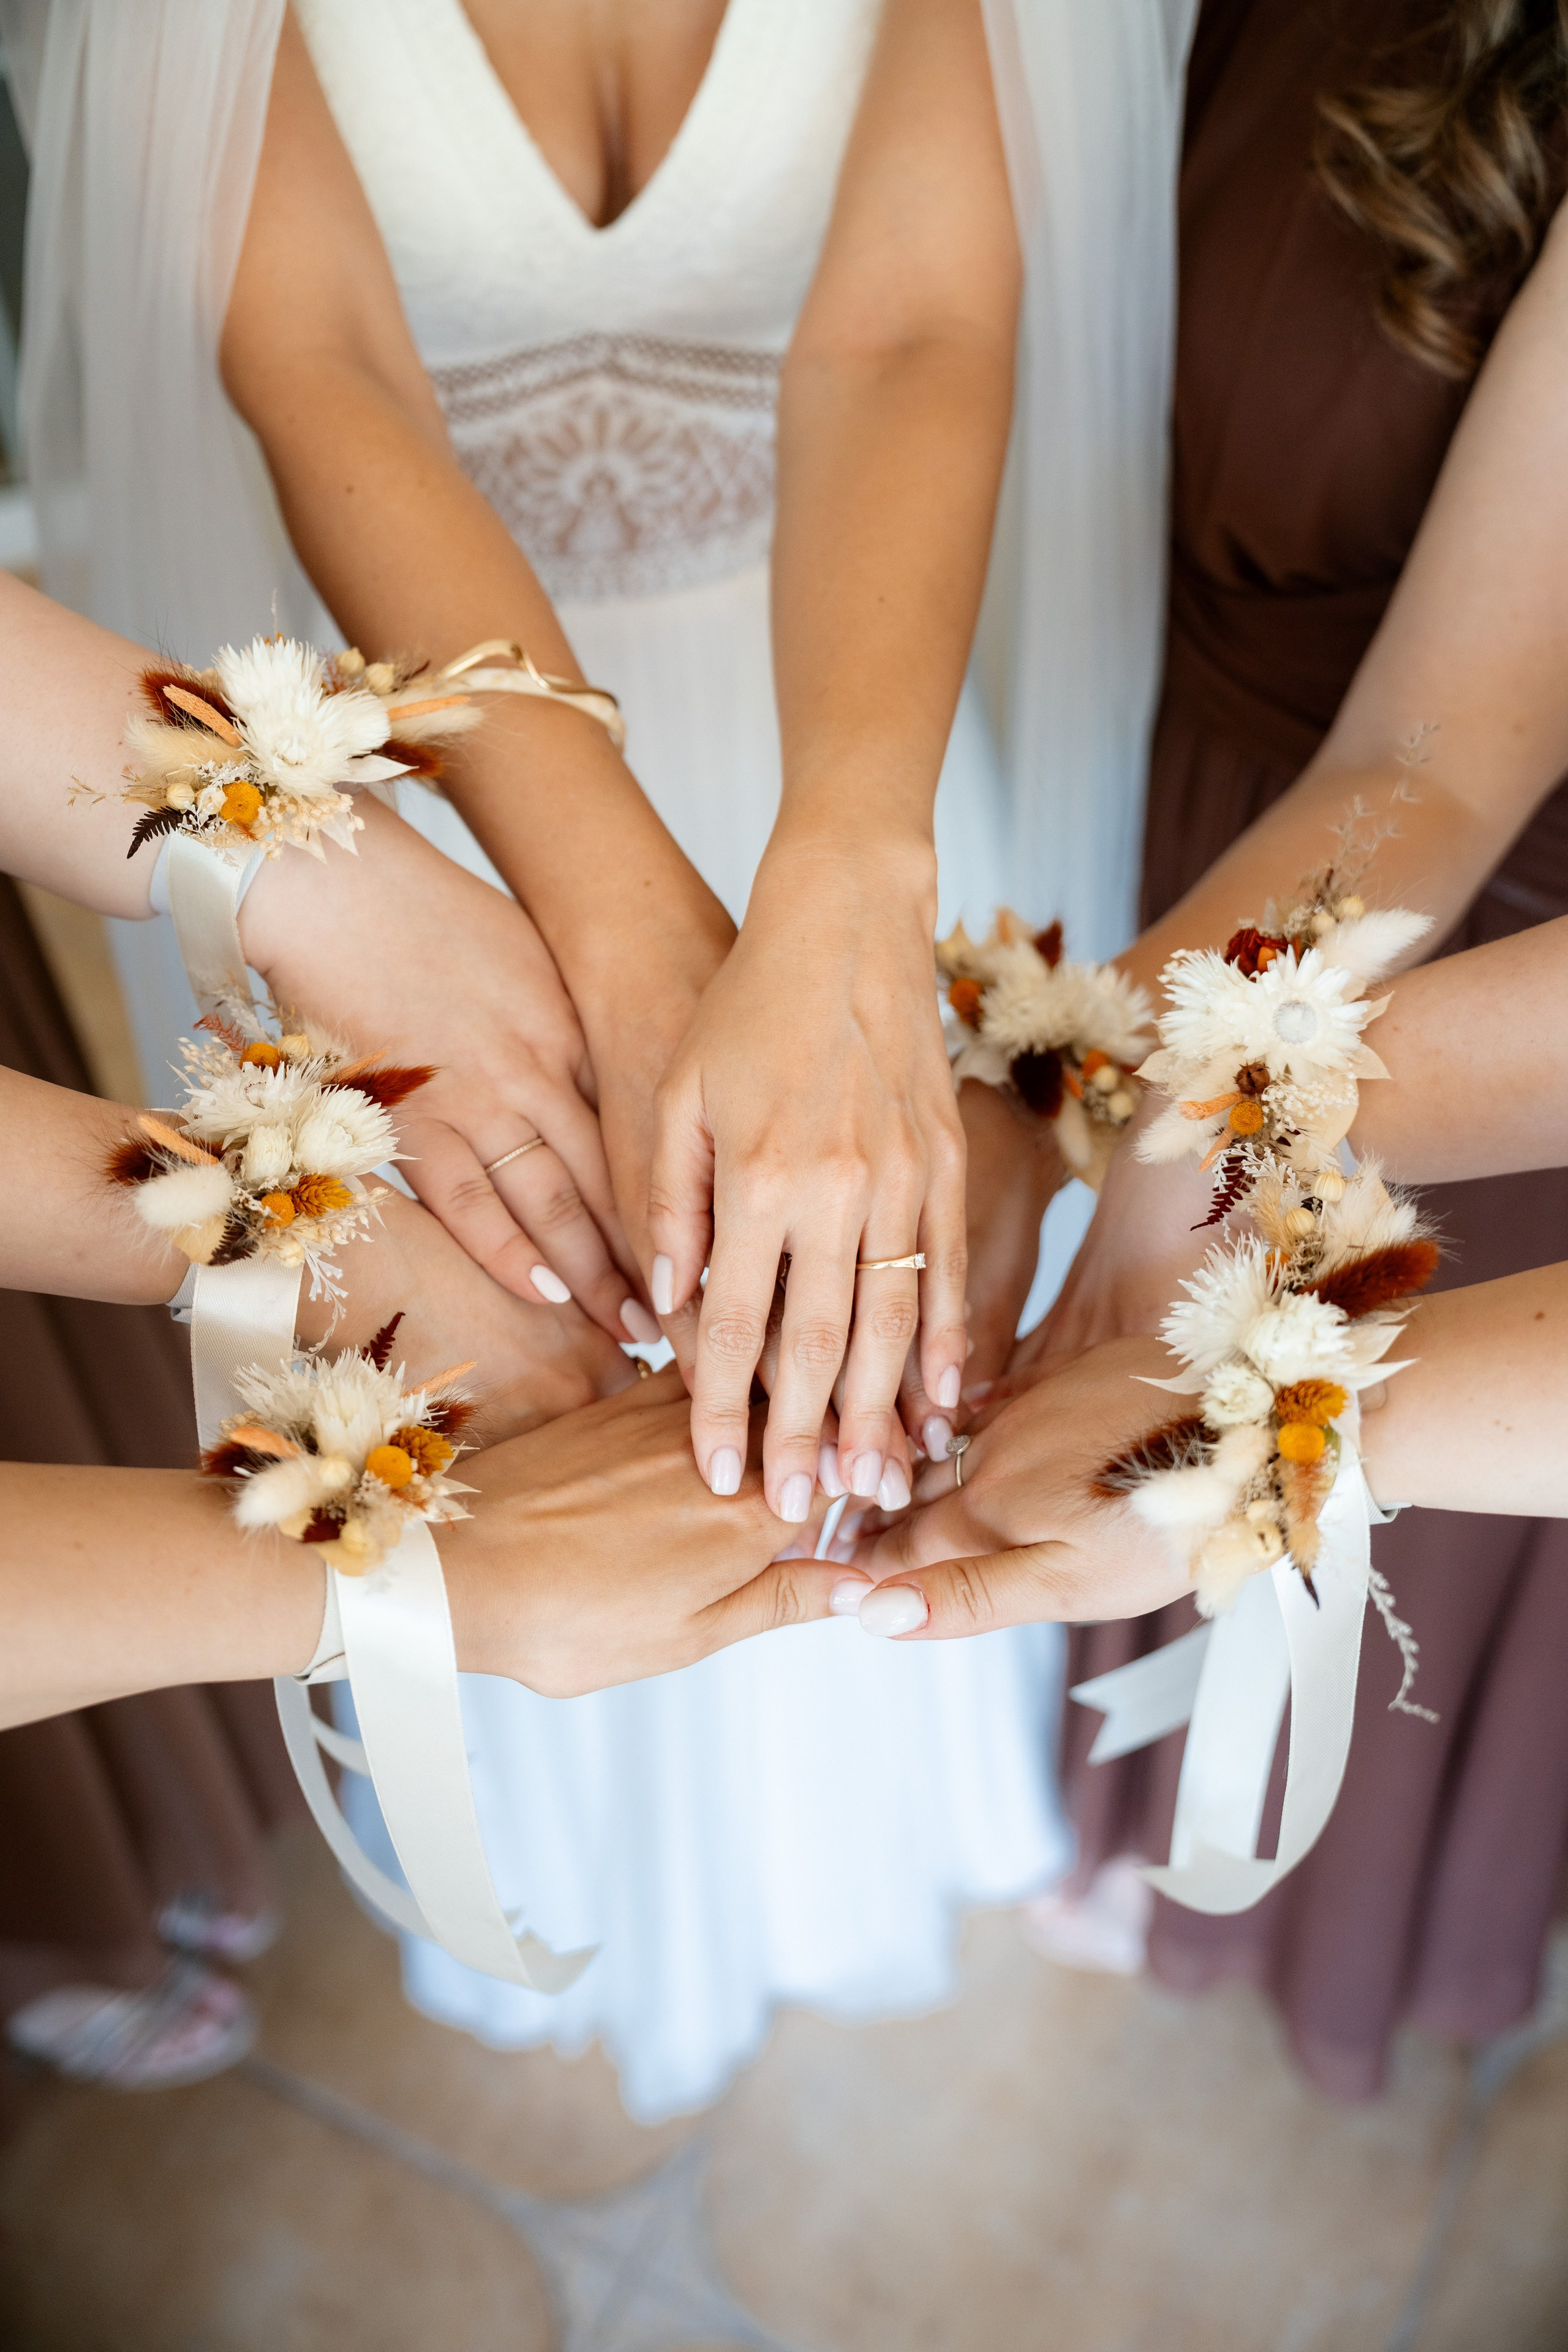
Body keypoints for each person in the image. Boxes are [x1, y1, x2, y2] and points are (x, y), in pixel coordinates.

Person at [951, 0, 1568, 2095]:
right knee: (1130, 1374)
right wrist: (1080, 1104)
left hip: (1491, 988)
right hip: (1280, 850)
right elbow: (1427, 745)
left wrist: (1153, 1116)